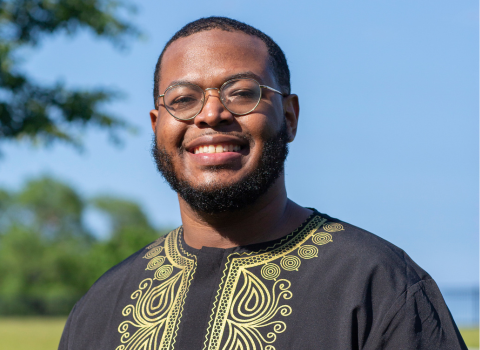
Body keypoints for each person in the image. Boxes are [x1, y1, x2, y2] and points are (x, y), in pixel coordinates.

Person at [58, 17, 467, 350]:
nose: (211, 114)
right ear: (157, 125)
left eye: (241, 93)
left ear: (289, 117)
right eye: (183, 99)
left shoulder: (377, 285)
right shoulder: (102, 306)